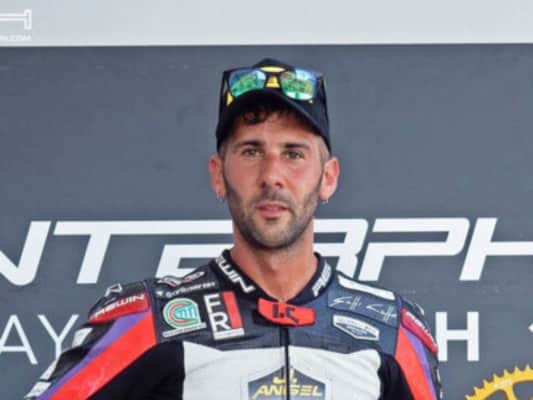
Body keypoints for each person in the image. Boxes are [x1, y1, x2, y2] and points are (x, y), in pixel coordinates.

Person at [25, 58, 442, 400]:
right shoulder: (151, 319)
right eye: (251, 151)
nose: (272, 175)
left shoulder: (393, 330)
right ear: (218, 174)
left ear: (328, 177)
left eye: (294, 154)